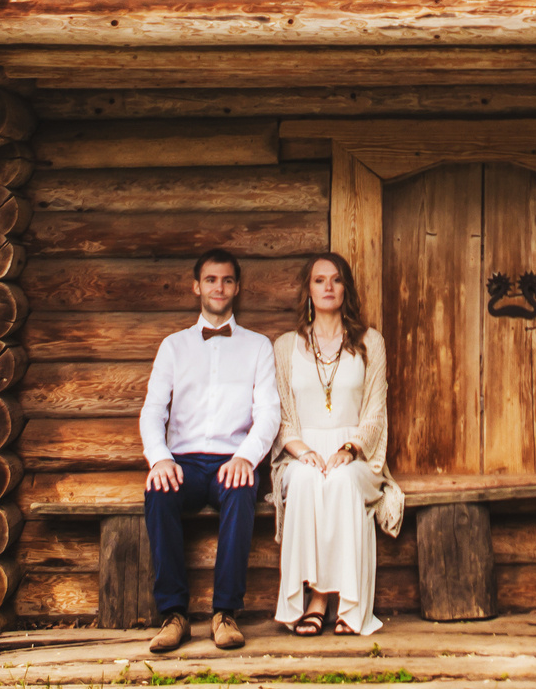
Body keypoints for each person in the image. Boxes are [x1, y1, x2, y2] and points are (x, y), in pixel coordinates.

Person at [139, 249, 278, 653]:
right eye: (211, 279)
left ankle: (225, 614)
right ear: (197, 286)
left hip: (230, 461)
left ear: (237, 287)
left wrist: (246, 458)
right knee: (157, 491)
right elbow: (152, 409)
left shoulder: (257, 347)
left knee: (242, 490)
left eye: (228, 280)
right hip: (181, 462)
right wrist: (160, 457)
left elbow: (269, 413)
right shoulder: (174, 346)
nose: (220, 287)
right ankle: (173, 615)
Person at [270, 251, 403, 636]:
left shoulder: (369, 342)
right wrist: (304, 452)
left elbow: (376, 412)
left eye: (336, 280)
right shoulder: (285, 347)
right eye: (319, 280)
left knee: (342, 483)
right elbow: (283, 416)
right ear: (308, 291)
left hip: (357, 455)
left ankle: (349, 602)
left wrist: (348, 450)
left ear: (346, 289)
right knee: (309, 482)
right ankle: (315, 599)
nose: (328, 286)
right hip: (302, 451)